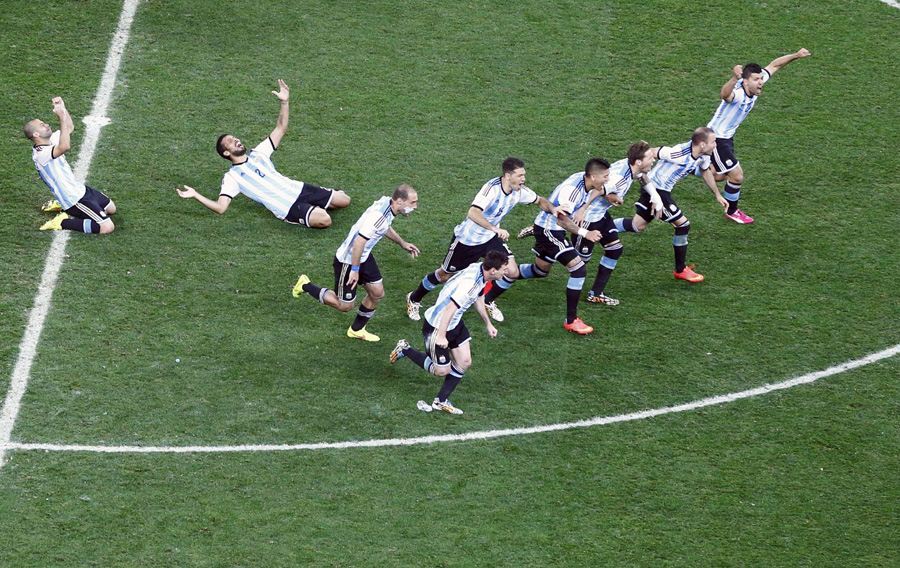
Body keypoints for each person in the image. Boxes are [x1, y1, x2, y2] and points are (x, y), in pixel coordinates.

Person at [404, 157, 561, 323]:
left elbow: (540, 200)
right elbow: (472, 212)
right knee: (445, 276)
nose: (523, 179)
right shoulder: (491, 190)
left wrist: (554, 209)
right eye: (520, 175)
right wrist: (494, 228)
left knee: (512, 271)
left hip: (490, 239)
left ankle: (488, 300)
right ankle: (414, 298)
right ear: (508, 176)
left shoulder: (519, 191)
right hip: (467, 240)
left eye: (524, 175)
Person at [176, 79, 350, 227]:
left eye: (234, 137)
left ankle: (322, 200)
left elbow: (280, 128)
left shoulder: (258, 153)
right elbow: (221, 208)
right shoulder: (232, 178)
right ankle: (317, 208)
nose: (235, 140)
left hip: (298, 189)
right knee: (325, 220)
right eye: (230, 142)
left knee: (345, 201)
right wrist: (196, 195)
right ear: (226, 153)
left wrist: (284, 102)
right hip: (286, 207)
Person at [483, 158, 610, 335]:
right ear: (593, 177)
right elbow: (562, 219)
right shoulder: (572, 192)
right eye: (605, 176)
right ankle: (571, 320)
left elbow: (601, 191)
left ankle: (488, 289)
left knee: (540, 271)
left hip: (549, 229)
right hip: (551, 230)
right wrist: (584, 233)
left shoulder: (586, 182)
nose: (607, 180)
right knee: (579, 269)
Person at [292, 184, 420, 342]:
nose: (415, 207)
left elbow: (383, 227)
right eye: (413, 203)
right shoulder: (379, 216)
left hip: (363, 257)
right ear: (400, 201)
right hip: (348, 260)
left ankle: (356, 330)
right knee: (344, 305)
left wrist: (402, 243)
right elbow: (358, 243)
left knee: (377, 293)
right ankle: (305, 285)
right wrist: (354, 269)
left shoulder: (387, 204)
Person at [390, 249, 509, 415]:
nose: (507, 271)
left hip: (455, 322)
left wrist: (488, 324)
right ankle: (405, 349)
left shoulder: (480, 271)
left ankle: (441, 401)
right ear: (493, 270)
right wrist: (441, 336)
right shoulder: (470, 283)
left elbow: (479, 296)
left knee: (465, 361)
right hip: (438, 325)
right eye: (505, 268)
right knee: (441, 371)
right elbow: (449, 308)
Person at [704, 48, 811, 224]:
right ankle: (732, 211)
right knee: (737, 176)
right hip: (716, 138)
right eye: (756, 80)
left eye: (761, 78)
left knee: (719, 176)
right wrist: (734, 78)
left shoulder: (754, 85)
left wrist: (796, 56)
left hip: (728, 137)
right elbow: (724, 94)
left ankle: (694, 165)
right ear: (745, 82)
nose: (760, 82)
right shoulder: (738, 93)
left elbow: (775, 65)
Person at [613, 127, 724, 283]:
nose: (716, 145)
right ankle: (680, 270)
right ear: (702, 144)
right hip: (655, 190)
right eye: (713, 142)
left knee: (637, 226)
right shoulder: (677, 153)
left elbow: (705, 172)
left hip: (663, 191)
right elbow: (651, 152)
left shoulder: (704, 155)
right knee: (683, 225)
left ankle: (601, 228)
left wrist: (717, 194)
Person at [568, 141, 658, 306]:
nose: (653, 160)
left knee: (615, 250)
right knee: (578, 263)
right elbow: (597, 189)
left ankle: (596, 294)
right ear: (638, 162)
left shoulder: (632, 167)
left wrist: (655, 197)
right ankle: (549, 233)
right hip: (587, 220)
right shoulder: (619, 179)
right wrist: (583, 209)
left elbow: (642, 177)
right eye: (650, 158)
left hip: (601, 216)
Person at [24, 97, 117, 234]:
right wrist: (61, 117)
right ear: (36, 134)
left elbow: (69, 128)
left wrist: (63, 109)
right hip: (73, 198)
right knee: (107, 227)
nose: (47, 124)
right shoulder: (41, 154)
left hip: (80, 190)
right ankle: (62, 222)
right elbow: (65, 146)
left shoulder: (50, 141)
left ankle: (61, 205)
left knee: (111, 209)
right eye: (42, 125)